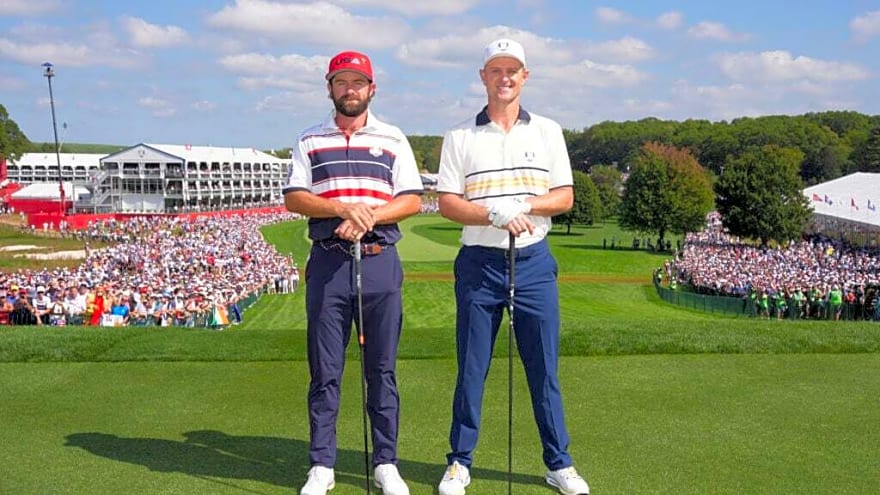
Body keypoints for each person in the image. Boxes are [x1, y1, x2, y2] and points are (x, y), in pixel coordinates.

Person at [435, 38, 590, 495]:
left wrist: (524, 203)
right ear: (483, 76)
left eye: (513, 71)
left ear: (525, 76)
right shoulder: (460, 135)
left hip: (534, 262)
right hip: (479, 264)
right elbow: (446, 203)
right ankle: (459, 462)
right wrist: (491, 213)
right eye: (496, 70)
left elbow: (564, 196)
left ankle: (558, 463)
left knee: (543, 368)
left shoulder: (547, 130)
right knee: (472, 367)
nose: (505, 78)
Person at [283, 49, 423, 495]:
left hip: (381, 261)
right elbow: (295, 197)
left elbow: (411, 199)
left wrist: (368, 216)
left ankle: (386, 462)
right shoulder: (309, 139)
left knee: (381, 370)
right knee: (325, 370)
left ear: (371, 89)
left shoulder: (394, 138)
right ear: (330, 88)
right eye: (341, 82)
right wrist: (343, 207)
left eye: (357, 83)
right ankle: (322, 464)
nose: (350, 90)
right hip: (328, 263)